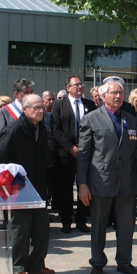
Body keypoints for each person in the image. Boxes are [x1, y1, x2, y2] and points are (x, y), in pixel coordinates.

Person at [77, 81, 137, 274]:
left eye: (120, 93)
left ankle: (124, 262)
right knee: (99, 226)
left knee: (126, 227)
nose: (118, 96)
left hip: (127, 183)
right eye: (114, 93)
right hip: (101, 182)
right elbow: (83, 154)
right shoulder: (90, 119)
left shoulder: (131, 120)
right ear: (103, 96)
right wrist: (82, 184)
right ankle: (97, 263)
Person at [0, 94, 54, 274]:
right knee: (20, 228)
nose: (41, 111)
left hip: (39, 186)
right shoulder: (14, 130)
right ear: (25, 110)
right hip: (19, 188)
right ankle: (18, 266)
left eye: (42, 107)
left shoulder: (41, 127)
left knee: (41, 228)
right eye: (36, 108)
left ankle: (37, 265)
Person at [52, 75, 96, 234]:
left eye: (81, 84)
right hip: (66, 153)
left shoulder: (90, 104)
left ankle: (82, 219)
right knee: (66, 188)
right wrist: (70, 147)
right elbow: (56, 128)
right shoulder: (59, 104)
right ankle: (66, 220)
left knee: (84, 185)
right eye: (76, 85)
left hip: (86, 152)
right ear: (68, 87)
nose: (79, 87)